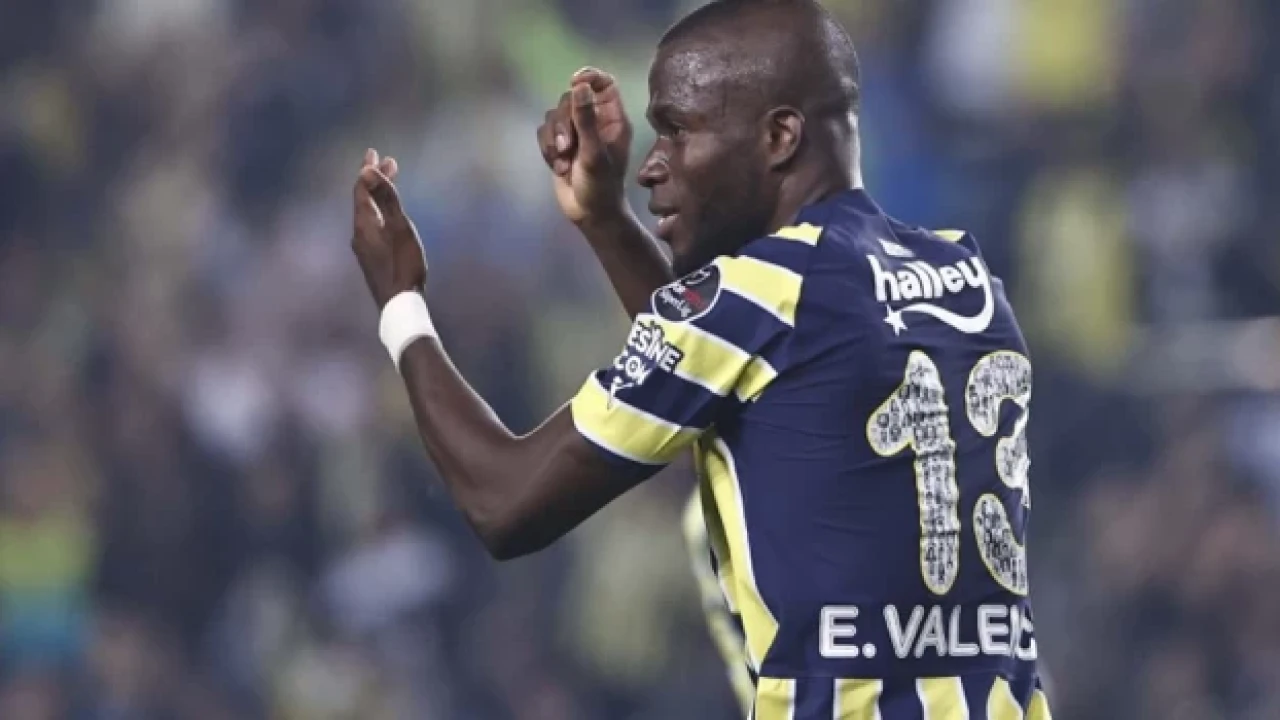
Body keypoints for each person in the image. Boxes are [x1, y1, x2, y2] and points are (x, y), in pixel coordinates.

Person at [349, 0, 1052, 716]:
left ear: (780, 136)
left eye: (678, 131)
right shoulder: (966, 276)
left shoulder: (760, 296)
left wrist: (401, 306)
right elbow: (729, 374)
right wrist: (605, 220)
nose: (651, 166)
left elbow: (503, 502)